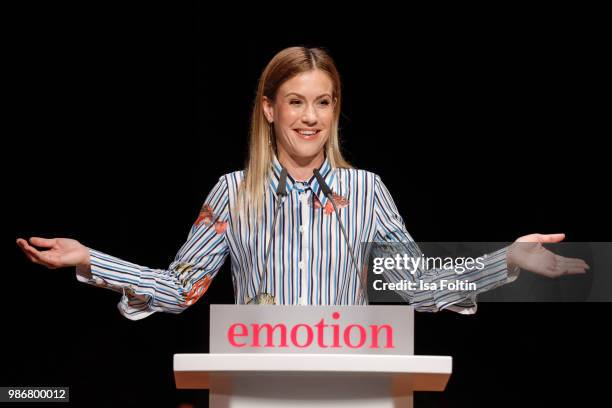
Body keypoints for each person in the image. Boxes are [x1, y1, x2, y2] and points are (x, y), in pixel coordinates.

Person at [16, 46, 589, 320]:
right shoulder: (232, 193)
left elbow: (419, 286)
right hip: (252, 387)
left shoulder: (367, 191)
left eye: (323, 102)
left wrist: (508, 260)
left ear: (336, 109)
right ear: (269, 108)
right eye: (296, 101)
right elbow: (181, 288)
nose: (310, 117)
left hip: (354, 388)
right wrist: (91, 260)